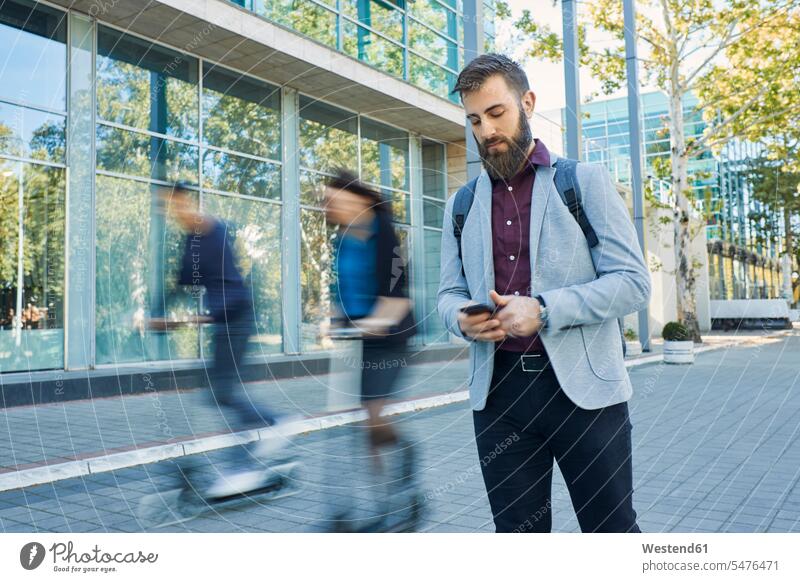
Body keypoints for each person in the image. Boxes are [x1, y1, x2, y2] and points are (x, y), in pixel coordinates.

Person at [438, 54, 651, 532]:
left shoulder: (584, 182)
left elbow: (633, 282)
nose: (486, 130)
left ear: (527, 102)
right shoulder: (462, 203)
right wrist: (462, 319)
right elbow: (448, 292)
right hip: (500, 398)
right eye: (474, 119)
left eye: (496, 113)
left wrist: (544, 310)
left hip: (586, 395)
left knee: (611, 531)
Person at [149, 182, 292, 498]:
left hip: (237, 319)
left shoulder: (215, 233)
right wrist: (158, 314)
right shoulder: (192, 240)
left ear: (190, 202)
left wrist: (192, 319)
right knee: (217, 395)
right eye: (167, 208)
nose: (172, 212)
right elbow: (179, 282)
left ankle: (262, 438)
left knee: (224, 391)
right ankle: (266, 429)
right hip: (221, 323)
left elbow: (231, 292)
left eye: (175, 204)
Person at [322, 170, 419, 529]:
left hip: (391, 336)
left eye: (336, 201)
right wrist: (335, 320)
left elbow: (398, 293)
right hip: (358, 339)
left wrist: (375, 322)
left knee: (375, 418)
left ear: (360, 199)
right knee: (365, 427)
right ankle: (383, 504)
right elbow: (339, 288)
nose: (331, 208)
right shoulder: (341, 240)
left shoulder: (386, 234)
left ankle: (408, 458)